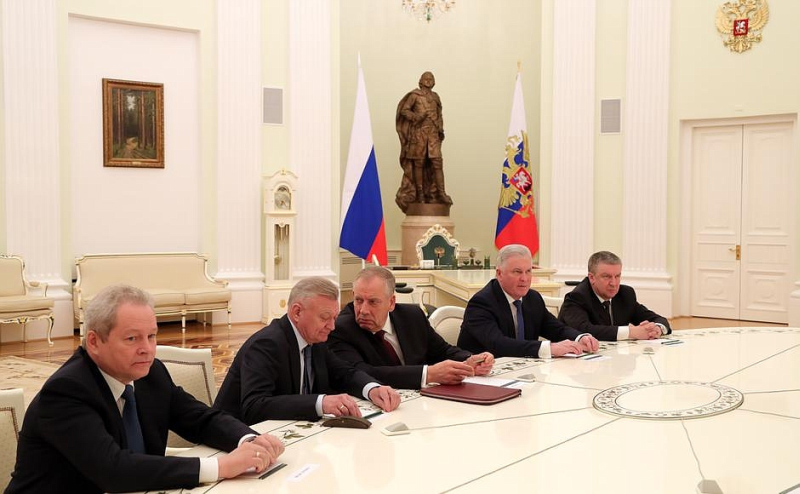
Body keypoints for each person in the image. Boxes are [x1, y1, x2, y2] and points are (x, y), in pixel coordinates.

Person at [6, 285, 284, 494]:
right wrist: (221, 467)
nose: (147, 349)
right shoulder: (66, 391)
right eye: (132, 338)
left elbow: (200, 419)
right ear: (94, 342)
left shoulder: (151, 374)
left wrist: (248, 440)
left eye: (151, 336)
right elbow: (113, 470)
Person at [214, 277, 400, 424]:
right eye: (325, 317)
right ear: (297, 312)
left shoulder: (315, 339)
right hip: (236, 439)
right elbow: (254, 407)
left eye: (334, 318)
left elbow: (344, 373)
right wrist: (321, 403)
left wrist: (372, 389)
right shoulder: (267, 344)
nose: (332, 326)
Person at [330, 266, 494, 389]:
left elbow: (442, 351)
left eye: (373, 302)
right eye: (359, 301)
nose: (363, 310)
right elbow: (362, 373)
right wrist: (428, 374)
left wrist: (469, 360)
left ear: (391, 302)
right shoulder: (342, 329)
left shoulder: (412, 316)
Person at [458, 244, 600, 358]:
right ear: (499, 273)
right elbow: (499, 344)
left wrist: (579, 338)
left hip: (524, 371)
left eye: (528, 271)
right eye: (517, 272)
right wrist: (549, 348)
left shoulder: (533, 298)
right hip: (482, 374)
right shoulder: (481, 303)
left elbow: (557, 329)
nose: (524, 279)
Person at [558, 251, 671, 341]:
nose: (614, 283)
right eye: (606, 277)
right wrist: (631, 332)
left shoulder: (625, 294)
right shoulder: (577, 297)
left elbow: (658, 319)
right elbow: (584, 330)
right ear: (592, 278)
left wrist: (657, 328)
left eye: (617, 276)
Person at [395, 71, 452, 212]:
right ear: (420, 81)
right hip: (419, 134)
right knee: (419, 163)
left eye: (431, 78)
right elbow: (404, 111)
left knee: (437, 162)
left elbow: (439, 115)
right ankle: (419, 194)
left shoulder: (436, 97)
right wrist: (416, 117)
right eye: (426, 78)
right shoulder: (415, 95)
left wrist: (440, 128)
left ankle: (441, 193)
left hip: (433, 135)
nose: (428, 80)